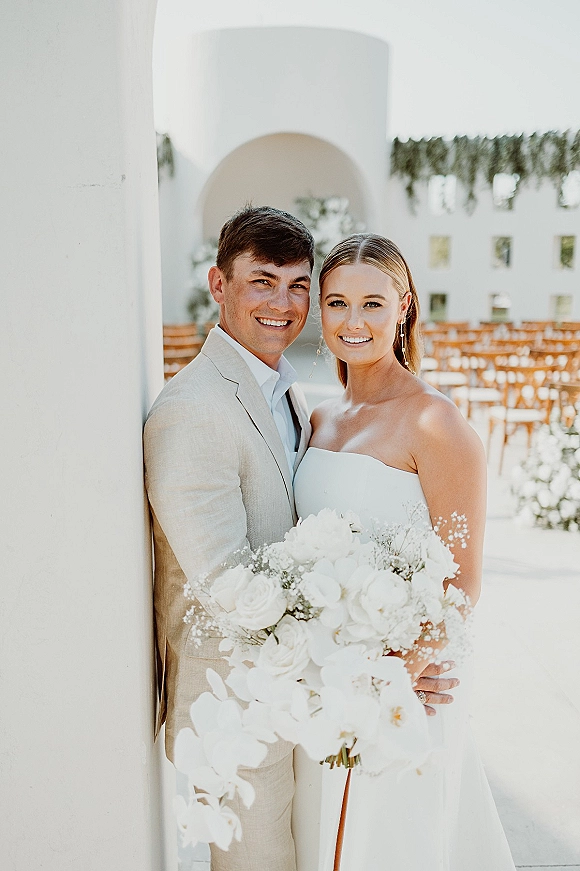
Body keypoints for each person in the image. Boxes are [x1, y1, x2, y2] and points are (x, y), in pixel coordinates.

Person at [144, 209, 458, 871]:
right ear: (218, 284)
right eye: (262, 282)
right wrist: (365, 663)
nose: (281, 305)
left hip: (317, 703)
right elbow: (230, 586)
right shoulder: (192, 410)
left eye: (296, 286)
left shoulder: (292, 394)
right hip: (241, 710)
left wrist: (394, 661)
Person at [292, 234, 516, 871]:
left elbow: (462, 580)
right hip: (325, 681)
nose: (353, 321)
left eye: (371, 302)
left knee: (389, 845)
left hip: (401, 688)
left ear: (404, 306)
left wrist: (396, 671)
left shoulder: (434, 423)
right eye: (336, 303)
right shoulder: (320, 419)